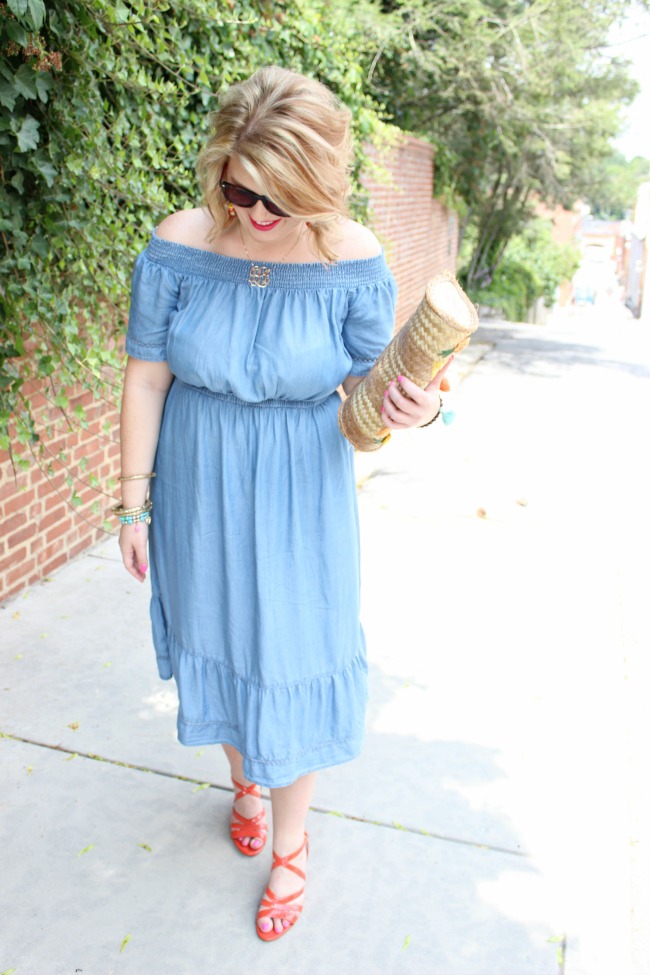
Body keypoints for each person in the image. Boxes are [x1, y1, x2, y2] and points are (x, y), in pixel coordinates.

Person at [117, 65, 447, 941]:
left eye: (282, 200)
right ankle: (244, 779)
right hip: (197, 480)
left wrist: (420, 405)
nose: (259, 217)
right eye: (242, 191)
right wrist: (130, 502)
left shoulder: (351, 258)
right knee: (219, 637)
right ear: (221, 163)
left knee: (297, 654)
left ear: (319, 185)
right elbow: (148, 379)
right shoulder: (182, 242)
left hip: (302, 489)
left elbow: (373, 386)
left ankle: (292, 845)